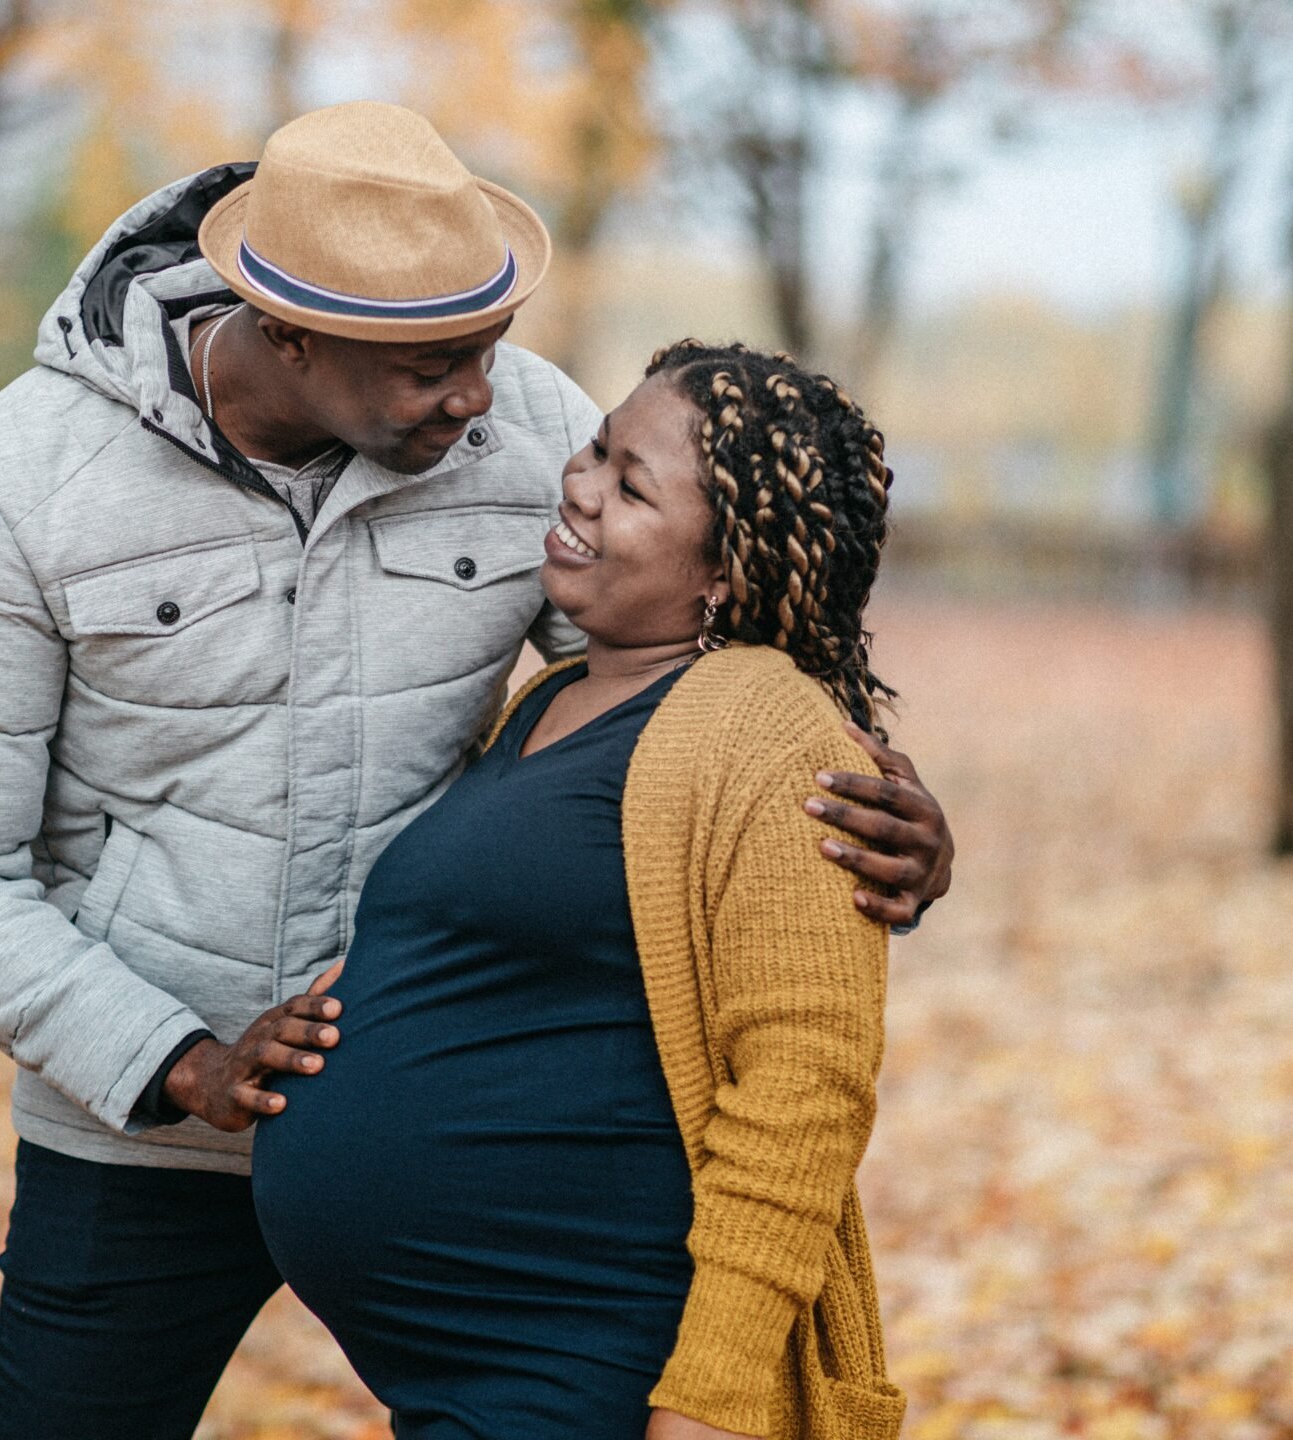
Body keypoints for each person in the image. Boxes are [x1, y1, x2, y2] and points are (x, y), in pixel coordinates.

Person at [0, 102, 951, 1438]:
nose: (480, 399)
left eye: (487, 348)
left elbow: (677, 692)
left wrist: (866, 807)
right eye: (433, 366)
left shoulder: (531, 428)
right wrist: (179, 1061)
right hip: (138, 1134)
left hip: (493, 1176)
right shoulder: (27, 481)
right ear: (289, 333)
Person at [254, 341, 908, 1440]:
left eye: (631, 482)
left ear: (725, 572)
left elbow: (804, 1088)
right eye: (597, 446)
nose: (579, 480)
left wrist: (711, 1400)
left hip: (585, 1357)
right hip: (475, 1370)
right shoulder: (554, 693)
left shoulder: (760, 722)